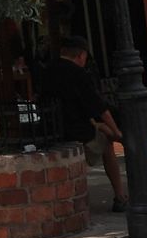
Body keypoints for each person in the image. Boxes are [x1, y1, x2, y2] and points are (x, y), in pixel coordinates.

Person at [46, 37, 128, 213]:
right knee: (108, 144)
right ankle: (120, 196)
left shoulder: (47, 71)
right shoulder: (78, 74)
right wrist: (116, 131)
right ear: (81, 55)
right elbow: (100, 108)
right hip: (76, 131)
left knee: (103, 130)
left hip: (51, 128)